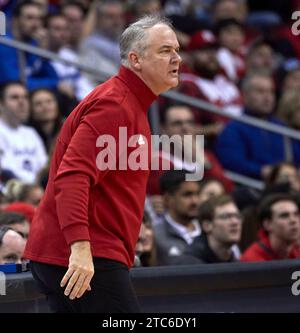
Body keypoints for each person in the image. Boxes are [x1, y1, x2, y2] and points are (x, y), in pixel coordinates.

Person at [24, 15, 181, 313]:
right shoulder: (115, 105)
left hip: (86, 254)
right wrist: (80, 247)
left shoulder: (131, 104)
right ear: (135, 59)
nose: (177, 58)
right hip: (83, 257)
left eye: (176, 49)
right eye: (165, 51)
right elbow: (72, 176)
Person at [241, 193, 300, 262]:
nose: (293, 220)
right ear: (267, 224)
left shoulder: (296, 251)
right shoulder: (252, 260)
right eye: (284, 216)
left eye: (296, 214)